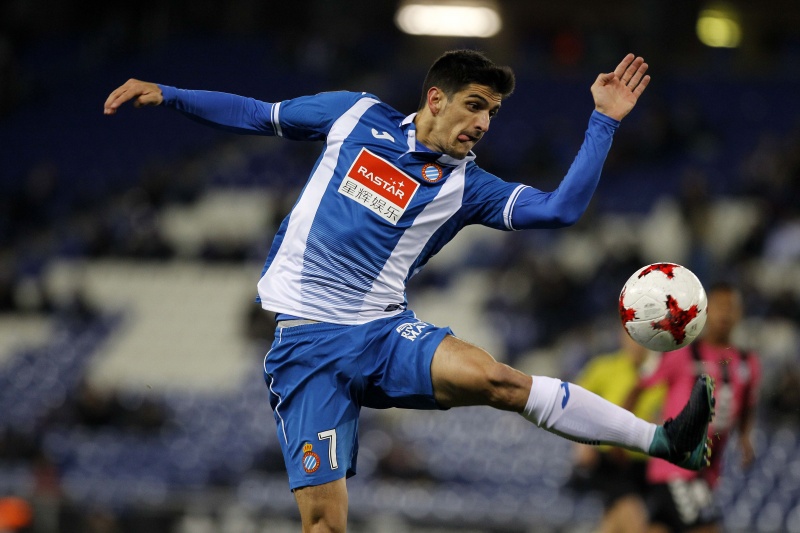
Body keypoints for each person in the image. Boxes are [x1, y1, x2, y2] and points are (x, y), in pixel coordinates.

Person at [104, 50, 715, 533]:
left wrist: (604, 120)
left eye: (492, 113)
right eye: (474, 105)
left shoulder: (468, 187)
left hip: (382, 333)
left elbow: (560, 210)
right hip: (306, 349)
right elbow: (259, 114)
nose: (482, 123)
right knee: (324, 525)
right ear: (435, 99)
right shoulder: (353, 115)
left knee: (499, 380)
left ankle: (666, 441)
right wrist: (169, 94)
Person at [627, 282, 760, 533]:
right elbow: (639, 386)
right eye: (719, 306)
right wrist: (623, 431)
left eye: (731, 307)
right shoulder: (681, 352)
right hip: (676, 465)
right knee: (706, 528)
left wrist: (744, 438)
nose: (725, 314)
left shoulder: (748, 362)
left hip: (707, 469)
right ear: (705, 311)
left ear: (740, 313)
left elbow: (747, 406)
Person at [570, 329, 666, 533]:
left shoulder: (662, 373)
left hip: (646, 464)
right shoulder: (604, 367)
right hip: (612, 460)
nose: (637, 344)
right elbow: (574, 404)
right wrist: (581, 444)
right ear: (622, 338)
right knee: (634, 522)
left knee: (615, 524)